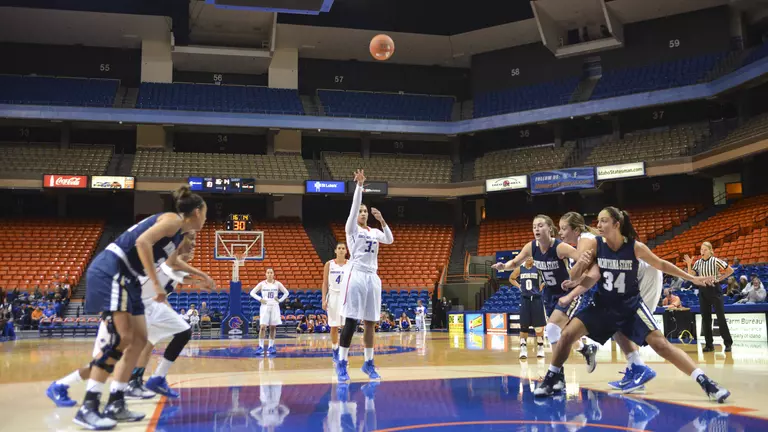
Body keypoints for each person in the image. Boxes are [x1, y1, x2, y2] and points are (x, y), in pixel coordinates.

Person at [534, 206, 730, 403]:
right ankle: (554, 377)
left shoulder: (635, 247)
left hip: (630, 304)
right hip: (603, 305)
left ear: (617, 224)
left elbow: (661, 264)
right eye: (598, 221)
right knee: (567, 334)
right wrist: (581, 265)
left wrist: (692, 278)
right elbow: (584, 276)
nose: (598, 225)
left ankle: (706, 382)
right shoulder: (595, 244)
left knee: (661, 345)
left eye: (603, 221)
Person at [70, 185, 207, 429]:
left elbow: (173, 261)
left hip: (129, 279)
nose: (206, 218)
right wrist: (156, 284)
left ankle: (116, 401)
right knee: (121, 341)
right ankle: (88, 406)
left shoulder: (176, 236)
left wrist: (202, 276)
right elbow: (142, 242)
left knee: (140, 340)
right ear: (197, 212)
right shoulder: (173, 220)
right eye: (205, 213)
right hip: (113, 271)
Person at [47, 241, 210, 405]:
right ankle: (61, 385)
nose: (194, 246)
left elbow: (164, 291)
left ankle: (139, 382)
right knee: (108, 360)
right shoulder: (165, 261)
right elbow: (172, 265)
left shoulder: (175, 271)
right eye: (190, 241)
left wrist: (173, 311)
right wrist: (202, 278)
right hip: (124, 308)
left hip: (148, 307)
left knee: (163, 340)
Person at [560, 211, 665, 392]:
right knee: (615, 322)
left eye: (563, 229)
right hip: (630, 276)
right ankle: (635, 370)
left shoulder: (585, 240)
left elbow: (592, 275)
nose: (560, 233)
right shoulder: (586, 242)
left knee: (622, 321)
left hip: (642, 275)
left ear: (576, 230)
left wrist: (572, 292)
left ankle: (638, 369)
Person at [491, 214, 590, 391]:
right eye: (534, 226)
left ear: (550, 229)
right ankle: (583, 352)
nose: (536, 229)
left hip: (567, 293)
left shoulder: (560, 247)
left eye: (540, 225)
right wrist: (504, 267)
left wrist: (577, 281)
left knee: (552, 330)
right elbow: (515, 262)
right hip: (549, 295)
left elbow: (584, 261)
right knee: (559, 333)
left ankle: (557, 377)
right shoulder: (531, 247)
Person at [336, 169, 394, 382]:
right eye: (360, 211)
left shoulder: (374, 232)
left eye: (365, 211)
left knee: (370, 322)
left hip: (372, 277)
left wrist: (382, 220)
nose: (362, 213)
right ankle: (342, 362)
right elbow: (353, 208)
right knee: (351, 320)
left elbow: (390, 240)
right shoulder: (352, 229)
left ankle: (368, 363)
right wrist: (359, 186)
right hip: (356, 274)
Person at [684, 242, 734, 352]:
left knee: (720, 317)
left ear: (710, 250)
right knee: (705, 319)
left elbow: (730, 270)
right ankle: (709, 344)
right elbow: (690, 275)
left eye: (705, 249)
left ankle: (728, 343)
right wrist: (689, 264)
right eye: (701, 249)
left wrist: (720, 279)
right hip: (703, 289)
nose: (702, 251)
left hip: (715, 289)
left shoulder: (715, 260)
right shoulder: (698, 262)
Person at [508, 257, 546, 359]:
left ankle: (540, 347)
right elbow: (511, 278)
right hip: (525, 299)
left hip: (537, 299)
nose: (530, 258)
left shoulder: (538, 268)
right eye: (528, 256)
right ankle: (523, 348)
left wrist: (542, 285)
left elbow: (546, 278)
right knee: (524, 326)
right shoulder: (520, 269)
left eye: (531, 256)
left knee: (538, 327)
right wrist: (519, 286)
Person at [250, 268, 289, 356]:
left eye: (271, 272)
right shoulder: (262, 284)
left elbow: (286, 293)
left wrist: (280, 300)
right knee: (263, 327)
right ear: (266, 274)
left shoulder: (278, 284)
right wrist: (260, 299)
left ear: (273, 274)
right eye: (268, 272)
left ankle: (271, 346)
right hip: (265, 306)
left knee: (273, 327)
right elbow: (252, 293)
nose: (270, 274)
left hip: (275, 306)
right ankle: (260, 346)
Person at [322, 242, 349, 364]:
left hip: (346, 297)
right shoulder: (329, 264)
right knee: (333, 326)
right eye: (339, 248)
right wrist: (324, 299)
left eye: (343, 248)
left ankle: (344, 354)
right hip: (333, 296)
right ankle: (334, 350)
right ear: (335, 251)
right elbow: (324, 283)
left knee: (345, 327)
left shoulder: (350, 264)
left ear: (346, 251)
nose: (341, 250)